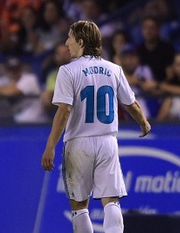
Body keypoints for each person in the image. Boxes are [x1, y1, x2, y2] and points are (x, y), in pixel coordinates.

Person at [41, 20, 151, 233]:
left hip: (78, 144)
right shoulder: (114, 69)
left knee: (79, 206)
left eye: (70, 38)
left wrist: (50, 146)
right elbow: (131, 104)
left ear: (81, 42)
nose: (66, 43)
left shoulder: (68, 71)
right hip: (107, 142)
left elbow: (63, 112)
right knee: (111, 201)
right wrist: (144, 123)